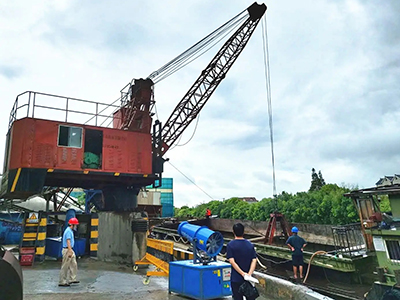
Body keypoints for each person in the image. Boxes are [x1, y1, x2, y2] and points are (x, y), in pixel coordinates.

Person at [227, 223, 257, 300]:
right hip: (249, 279)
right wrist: (249, 274)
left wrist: (243, 274)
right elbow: (254, 260)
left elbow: (232, 261)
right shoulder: (250, 245)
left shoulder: (230, 245)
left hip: (236, 278)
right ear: (244, 232)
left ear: (233, 232)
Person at [59, 217, 80, 287]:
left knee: (74, 264)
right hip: (67, 249)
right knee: (65, 265)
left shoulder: (70, 231)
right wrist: (70, 251)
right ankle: (62, 281)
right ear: (72, 225)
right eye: (75, 225)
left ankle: (72, 278)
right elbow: (68, 241)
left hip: (70, 249)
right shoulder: (68, 231)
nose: (76, 226)